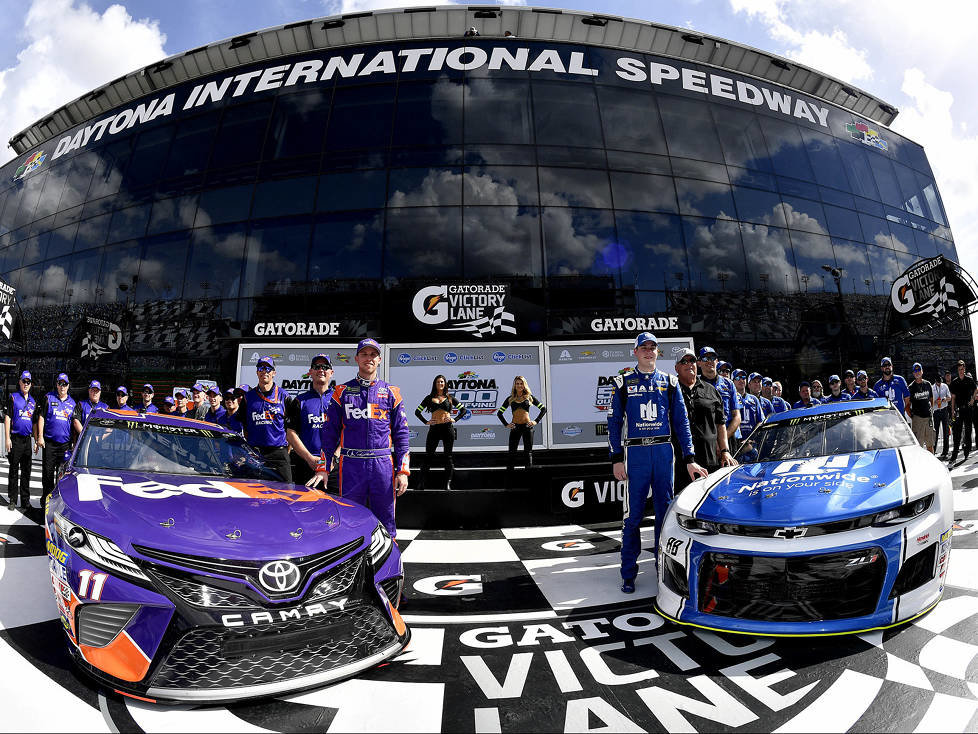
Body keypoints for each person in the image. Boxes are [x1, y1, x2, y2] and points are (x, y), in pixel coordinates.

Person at [610, 333, 706, 595]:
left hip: (664, 451)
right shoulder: (622, 382)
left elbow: (682, 423)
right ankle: (628, 573)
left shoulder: (670, 382)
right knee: (632, 518)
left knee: (665, 517)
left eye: (653, 348)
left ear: (658, 353)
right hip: (636, 453)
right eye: (644, 348)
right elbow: (614, 422)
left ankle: (662, 570)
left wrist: (689, 458)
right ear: (635, 351)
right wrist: (617, 458)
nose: (649, 352)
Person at [307, 338, 410, 540]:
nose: (368, 358)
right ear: (356, 358)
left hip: (382, 465)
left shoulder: (392, 393)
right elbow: (329, 434)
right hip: (351, 465)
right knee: (350, 519)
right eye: (364, 354)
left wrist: (403, 471)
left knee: (386, 520)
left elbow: (401, 435)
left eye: (373, 354)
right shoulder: (341, 392)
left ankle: (389, 565)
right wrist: (323, 468)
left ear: (379, 359)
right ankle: (352, 564)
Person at [673, 348, 734, 494]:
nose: (689, 364)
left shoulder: (711, 391)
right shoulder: (670, 390)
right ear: (677, 367)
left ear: (697, 364)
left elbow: (721, 423)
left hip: (710, 461)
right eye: (684, 361)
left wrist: (725, 451)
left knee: (712, 501)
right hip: (681, 464)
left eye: (692, 360)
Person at [233, 356, 297, 483]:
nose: (264, 371)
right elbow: (244, 425)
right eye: (261, 368)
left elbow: (292, 428)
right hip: (255, 453)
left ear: (274, 373)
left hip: (279, 454)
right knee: (253, 494)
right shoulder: (248, 397)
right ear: (257, 372)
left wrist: (287, 450)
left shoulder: (284, 396)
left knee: (286, 494)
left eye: (268, 368)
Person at [286, 353, 334, 486]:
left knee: (335, 506)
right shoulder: (299, 401)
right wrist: (309, 458)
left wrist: (334, 458)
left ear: (331, 372)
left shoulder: (339, 399)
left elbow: (347, 430)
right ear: (310, 372)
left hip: (334, 466)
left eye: (325, 366)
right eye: (317, 366)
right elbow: (290, 433)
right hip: (305, 464)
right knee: (304, 506)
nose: (321, 370)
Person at [416, 374, 469, 490]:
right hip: (434, 429)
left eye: (442, 382)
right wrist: (426, 422)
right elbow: (417, 412)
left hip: (448, 429)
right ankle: (421, 483)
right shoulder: (428, 398)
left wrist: (455, 419)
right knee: (428, 456)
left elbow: (464, 410)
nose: (440, 384)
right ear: (435, 384)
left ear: (445, 384)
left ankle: (448, 484)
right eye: (438, 382)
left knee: (448, 457)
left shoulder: (450, 398)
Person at [36, 373, 77, 508]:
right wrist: (40, 437)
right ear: (57, 385)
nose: (62, 386)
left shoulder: (73, 403)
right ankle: (45, 500)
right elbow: (41, 417)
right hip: (49, 443)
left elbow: (74, 424)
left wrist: (74, 444)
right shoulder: (48, 397)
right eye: (60, 383)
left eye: (65, 384)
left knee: (62, 476)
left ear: (68, 386)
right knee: (47, 473)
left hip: (64, 445)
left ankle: (59, 502)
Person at [497, 375, 547, 472]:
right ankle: (510, 476)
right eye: (517, 384)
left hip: (527, 427)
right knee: (512, 452)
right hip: (515, 427)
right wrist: (506, 424)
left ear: (524, 385)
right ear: (514, 385)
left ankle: (529, 476)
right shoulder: (510, 399)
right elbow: (499, 413)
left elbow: (543, 409)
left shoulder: (529, 397)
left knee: (528, 453)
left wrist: (536, 421)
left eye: (521, 384)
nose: (519, 385)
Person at [698, 347, 741, 453]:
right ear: (699, 363)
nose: (709, 361)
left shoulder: (728, 383)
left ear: (716, 361)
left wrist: (722, 440)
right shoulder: (696, 384)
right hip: (706, 441)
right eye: (705, 358)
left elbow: (737, 416)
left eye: (712, 358)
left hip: (729, 438)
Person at [5, 370, 35, 510]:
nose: (26, 384)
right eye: (24, 381)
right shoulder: (13, 397)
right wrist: (7, 439)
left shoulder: (33, 402)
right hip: (15, 439)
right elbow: (8, 418)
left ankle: (25, 500)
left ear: (31, 384)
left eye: (28, 382)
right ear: (20, 382)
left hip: (27, 441)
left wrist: (36, 440)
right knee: (13, 470)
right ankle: (12, 499)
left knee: (26, 471)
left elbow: (34, 422)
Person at [948, 360, 976, 464]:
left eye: (962, 369)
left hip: (968, 409)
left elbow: (976, 389)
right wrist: (952, 411)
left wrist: (973, 399)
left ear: (964, 369)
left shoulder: (969, 379)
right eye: (959, 369)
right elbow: (953, 398)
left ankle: (967, 451)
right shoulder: (954, 382)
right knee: (957, 433)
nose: (961, 371)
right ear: (957, 370)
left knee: (968, 431)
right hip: (958, 410)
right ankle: (954, 455)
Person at [908, 363, 935, 453]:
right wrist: (912, 416)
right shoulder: (911, 387)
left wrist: (930, 410)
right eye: (915, 371)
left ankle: (932, 464)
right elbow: (907, 405)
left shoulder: (928, 384)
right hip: (917, 419)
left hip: (928, 418)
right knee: (918, 447)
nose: (917, 372)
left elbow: (931, 399)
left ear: (922, 371)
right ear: (913, 373)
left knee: (930, 445)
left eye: (919, 370)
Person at [733, 369, 763, 440]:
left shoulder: (754, 399)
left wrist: (751, 438)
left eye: (743, 377)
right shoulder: (730, 399)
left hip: (752, 442)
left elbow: (760, 421)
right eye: (737, 378)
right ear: (732, 381)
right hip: (735, 442)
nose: (741, 380)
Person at [934, 370, 952, 458]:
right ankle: (933, 451)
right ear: (935, 381)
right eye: (938, 382)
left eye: (940, 381)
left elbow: (950, 397)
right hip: (936, 411)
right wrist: (935, 402)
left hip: (944, 410)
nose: (939, 383)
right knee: (935, 432)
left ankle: (945, 451)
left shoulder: (945, 386)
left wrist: (945, 399)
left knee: (946, 432)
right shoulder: (932, 388)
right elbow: (930, 401)